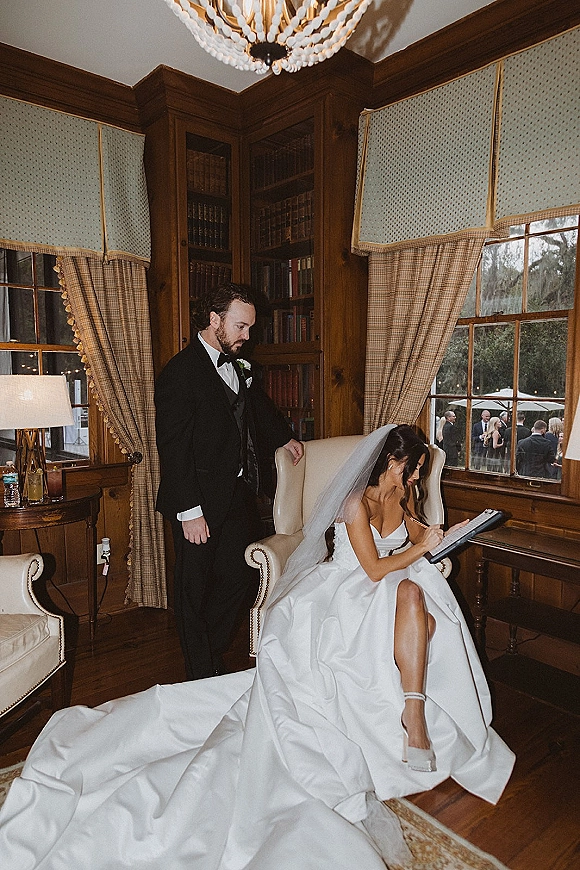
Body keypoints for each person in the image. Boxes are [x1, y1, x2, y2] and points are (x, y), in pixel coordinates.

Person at [0, 425, 515, 870]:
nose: (415, 477)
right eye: (412, 468)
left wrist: (444, 535)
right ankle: (413, 717)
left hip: (386, 589)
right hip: (347, 588)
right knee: (404, 591)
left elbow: (415, 539)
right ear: (394, 461)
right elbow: (372, 567)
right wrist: (419, 550)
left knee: (412, 594)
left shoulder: (404, 498)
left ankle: (414, 713)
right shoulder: (355, 501)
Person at [155, 282, 303, 680]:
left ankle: (210, 651)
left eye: (250, 328)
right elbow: (173, 449)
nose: (247, 336)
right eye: (240, 327)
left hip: (235, 492)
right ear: (214, 320)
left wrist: (284, 437)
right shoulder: (180, 373)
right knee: (193, 589)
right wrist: (189, 512)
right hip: (196, 500)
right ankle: (200, 673)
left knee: (240, 576)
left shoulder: (238, 364)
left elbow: (256, 409)